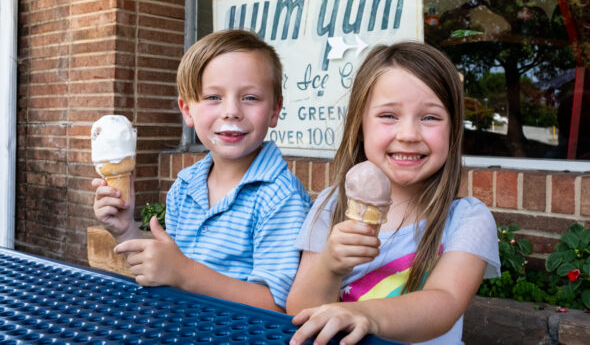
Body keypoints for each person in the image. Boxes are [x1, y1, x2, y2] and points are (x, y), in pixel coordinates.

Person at [286, 42, 500, 344]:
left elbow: (445, 301)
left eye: (430, 117)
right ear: (360, 126)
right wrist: (328, 266)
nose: (409, 134)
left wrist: (368, 316)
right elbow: (299, 311)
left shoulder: (466, 218)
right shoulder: (332, 205)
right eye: (388, 115)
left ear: (453, 130)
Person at [93, 29, 311, 312]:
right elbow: (166, 270)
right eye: (213, 97)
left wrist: (185, 273)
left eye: (251, 98)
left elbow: (277, 307)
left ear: (274, 110)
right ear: (187, 111)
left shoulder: (280, 197)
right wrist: (125, 229)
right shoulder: (185, 186)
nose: (231, 111)